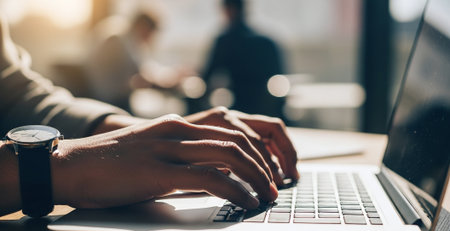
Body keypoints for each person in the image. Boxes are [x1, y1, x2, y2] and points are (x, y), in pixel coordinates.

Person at [0, 15, 299, 217]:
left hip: (109, 108)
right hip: (114, 97)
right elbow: (140, 78)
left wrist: (148, 136)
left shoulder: (127, 40)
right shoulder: (119, 38)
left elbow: (16, 95)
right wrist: (58, 169)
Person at [85, 11, 191, 112]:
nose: (150, 39)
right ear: (144, 27)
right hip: (108, 99)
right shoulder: (118, 39)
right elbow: (141, 74)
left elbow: (145, 69)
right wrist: (169, 81)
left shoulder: (125, 35)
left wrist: (170, 74)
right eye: (150, 33)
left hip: (112, 96)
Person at [200, 0, 285, 118]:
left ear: (229, 10)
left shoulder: (226, 41)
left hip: (241, 109)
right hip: (271, 112)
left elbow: (208, 77)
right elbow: (281, 77)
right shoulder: (267, 42)